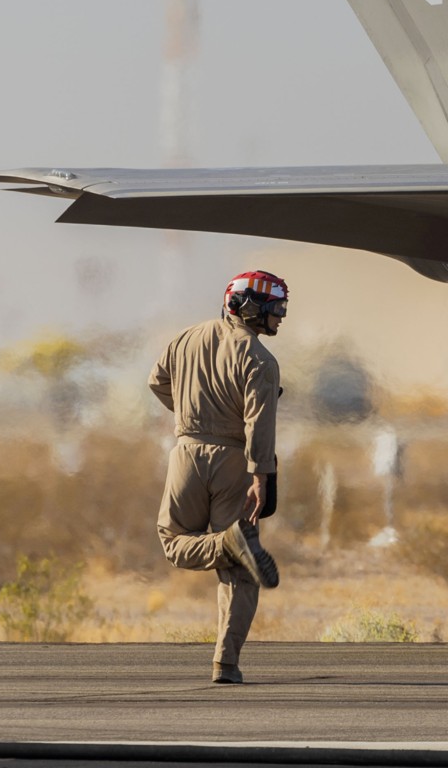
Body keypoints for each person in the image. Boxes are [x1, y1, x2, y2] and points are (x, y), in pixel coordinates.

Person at [149, 271, 286, 684]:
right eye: (274, 308)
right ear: (247, 306)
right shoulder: (261, 360)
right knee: (240, 572)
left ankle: (228, 545)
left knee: (173, 543)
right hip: (235, 462)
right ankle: (225, 662)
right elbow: (260, 423)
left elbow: (157, 382)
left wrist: (192, 412)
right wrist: (260, 476)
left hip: (185, 455)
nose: (280, 316)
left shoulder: (184, 339)